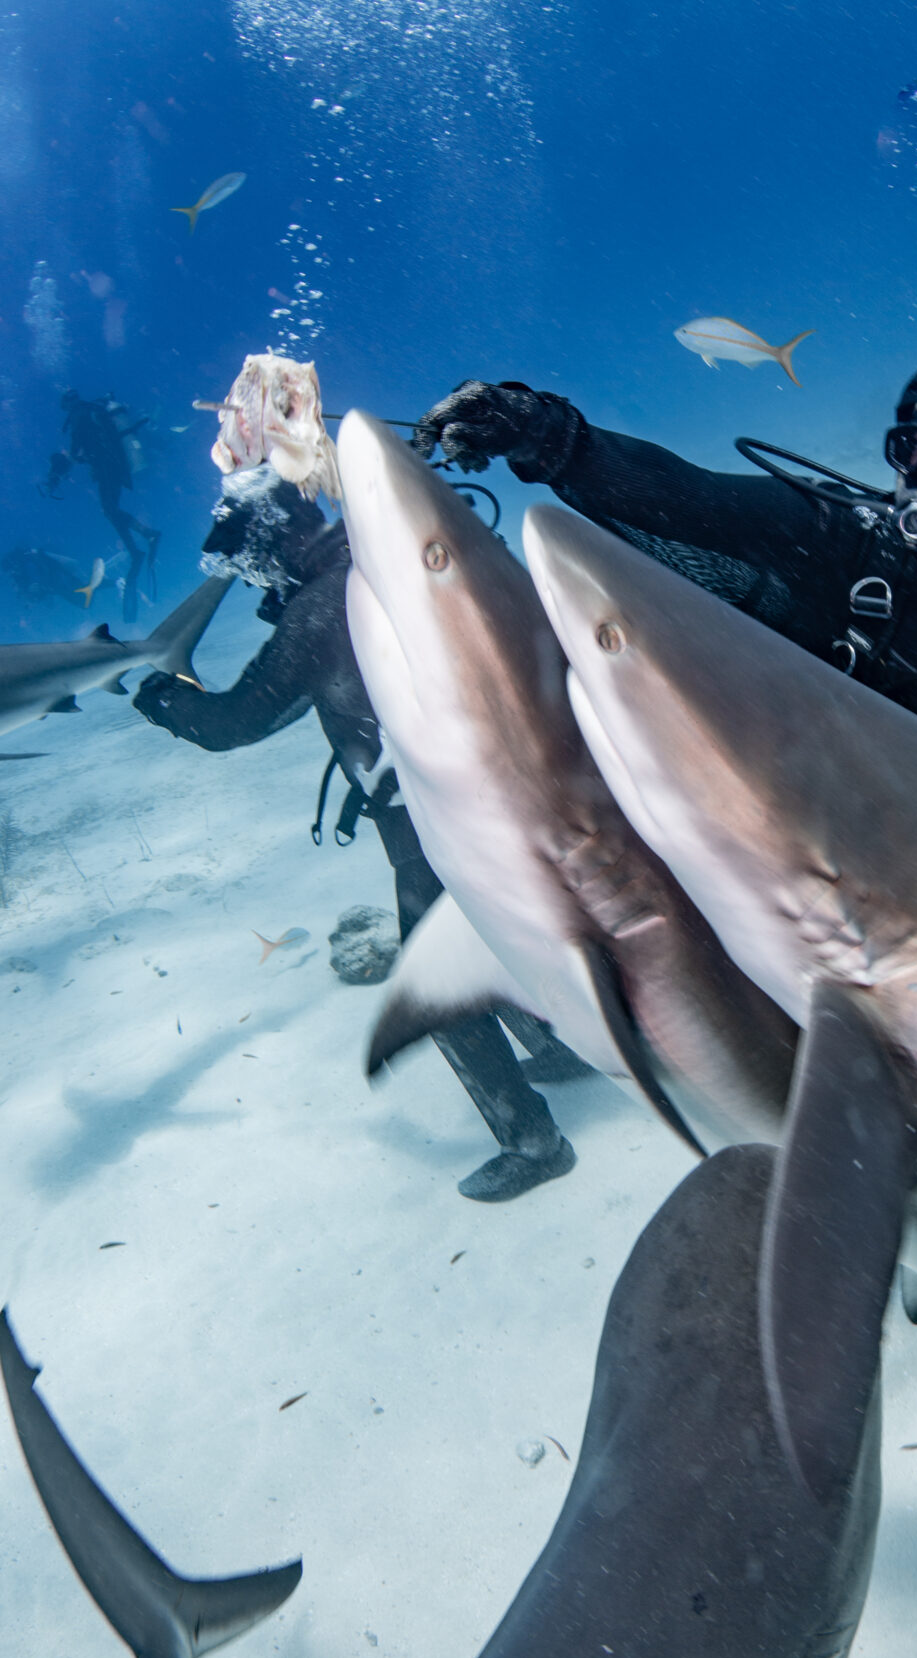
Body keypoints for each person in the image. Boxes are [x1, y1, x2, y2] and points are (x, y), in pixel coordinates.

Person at [413, 339, 917, 830]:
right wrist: (546, 434)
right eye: (911, 450)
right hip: (845, 851)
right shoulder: (849, 544)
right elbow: (683, 498)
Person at [131, 466, 581, 1202]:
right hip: (510, 791)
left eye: (252, 570)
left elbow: (239, 722)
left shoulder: (318, 609)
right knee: (482, 934)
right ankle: (557, 1050)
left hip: (432, 824)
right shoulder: (399, 556)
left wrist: (157, 695)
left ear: (272, 548)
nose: (254, 585)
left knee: (432, 980)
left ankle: (532, 1140)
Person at [44, 389, 161, 620]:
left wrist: (57, 472)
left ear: (68, 405)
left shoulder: (80, 415)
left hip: (107, 467)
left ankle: (143, 539)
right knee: (110, 510)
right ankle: (138, 544)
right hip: (114, 467)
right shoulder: (94, 411)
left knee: (109, 510)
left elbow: (76, 450)